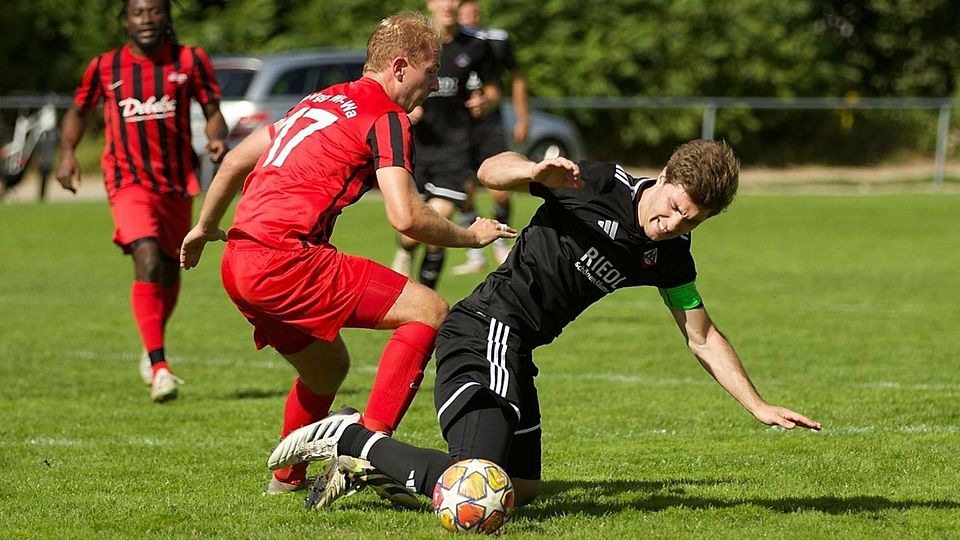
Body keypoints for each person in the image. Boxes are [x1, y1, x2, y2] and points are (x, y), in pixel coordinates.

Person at [268, 139, 823, 510]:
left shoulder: (671, 253)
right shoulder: (600, 184)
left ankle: (377, 468)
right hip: (486, 329)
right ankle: (352, 435)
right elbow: (490, 170)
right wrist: (533, 171)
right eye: (673, 206)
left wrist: (757, 405)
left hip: (520, 350)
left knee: (523, 490)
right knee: (478, 482)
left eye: (691, 220)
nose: (672, 223)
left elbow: (701, 335)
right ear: (666, 177)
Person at [179, 11, 515, 495]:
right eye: (430, 68)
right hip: (286, 259)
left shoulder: (325, 98)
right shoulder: (388, 116)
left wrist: (204, 227)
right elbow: (406, 217)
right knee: (429, 309)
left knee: (328, 369)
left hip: (239, 260)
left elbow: (234, 158)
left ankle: (286, 479)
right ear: (400, 66)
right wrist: (472, 234)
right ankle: (367, 454)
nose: (436, 80)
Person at [55, 0, 227, 403]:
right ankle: (160, 365)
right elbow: (78, 111)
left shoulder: (190, 59)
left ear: (166, 17)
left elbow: (213, 110)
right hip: (127, 181)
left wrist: (217, 138)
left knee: (170, 271)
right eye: (138, 12)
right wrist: (66, 152)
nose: (146, 20)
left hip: (175, 184)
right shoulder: (105, 67)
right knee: (146, 256)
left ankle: (151, 347)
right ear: (125, 20)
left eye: (154, 11)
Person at [390, 0, 501, 289]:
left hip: (456, 147)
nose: (449, 4)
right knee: (412, 232)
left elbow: (493, 91)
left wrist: (484, 101)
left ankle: (423, 299)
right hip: (415, 148)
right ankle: (404, 250)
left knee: (438, 220)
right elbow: (389, 85)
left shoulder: (477, 45)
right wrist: (405, 108)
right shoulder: (412, 43)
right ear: (430, 3)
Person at [452, 0, 531, 275]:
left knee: (500, 190)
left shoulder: (495, 42)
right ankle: (474, 253)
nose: (470, 17)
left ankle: (501, 241)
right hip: (459, 128)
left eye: (474, 12)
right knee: (464, 190)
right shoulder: (446, 44)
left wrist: (523, 118)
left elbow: (516, 78)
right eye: (465, 13)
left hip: (489, 125)